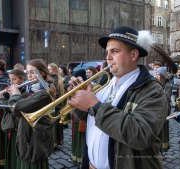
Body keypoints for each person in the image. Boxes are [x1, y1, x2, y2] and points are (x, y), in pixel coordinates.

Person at [69, 26, 168, 169]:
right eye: (107, 52)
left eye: (114, 51)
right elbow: (88, 119)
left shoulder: (152, 90)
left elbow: (141, 135)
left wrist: (95, 106)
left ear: (133, 55)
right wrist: (78, 100)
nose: (108, 57)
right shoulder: (104, 82)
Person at [11, 59, 56, 169]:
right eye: (28, 72)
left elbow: (18, 107)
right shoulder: (32, 89)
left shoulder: (45, 92)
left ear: (42, 73)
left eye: (32, 72)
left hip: (36, 136)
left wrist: (16, 94)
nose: (29, 76)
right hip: (29, 132)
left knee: (33, 162)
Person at [0, 69, 27, 169]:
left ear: (22, 79)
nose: (11, 82)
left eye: (13, 79)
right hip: (12, 126)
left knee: (17, 151)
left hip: (20, 127)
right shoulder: (13, 89)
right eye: (10, 79)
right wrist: (1, 96)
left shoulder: (25, 92)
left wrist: (1, 100)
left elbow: (13, 109)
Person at [155, 67, 172, 153]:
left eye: (158, 74)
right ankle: (157, 148)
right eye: (156, 74)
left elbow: (166, 98)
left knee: (164, 129)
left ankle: (163, 148)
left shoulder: (168, 85)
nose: (157, 76)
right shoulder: (156, 83)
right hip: (157, 109)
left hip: (165, 109)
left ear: (162, 75)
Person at [48, 63, 65, 147]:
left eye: (50, 69)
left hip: (54, 104)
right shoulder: (59, 78)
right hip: (59, 104)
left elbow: (55, 93)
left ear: (54, 70)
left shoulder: (53, 79)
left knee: (54, 124)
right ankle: (59, 140)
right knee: (58, 123)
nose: (48, 71)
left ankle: (54, 142)